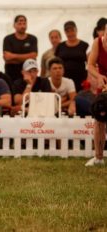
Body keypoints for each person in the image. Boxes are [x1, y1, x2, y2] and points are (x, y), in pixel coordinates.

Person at [85, 23, 107, 166]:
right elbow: (90, 65)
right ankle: (98, 157)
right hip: (103, 85)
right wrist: (98, 76)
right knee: (99, 120)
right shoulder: (97, 42)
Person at [55, 21, 89, 92]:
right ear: (65, 33)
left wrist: (88, 79)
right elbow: (56, 62)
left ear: (76, 30)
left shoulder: (84, 45)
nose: (70, 34)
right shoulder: (60, 46)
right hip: (64, 80)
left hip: (81, 79)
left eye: (72, 30)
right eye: (67, 31)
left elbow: (89, 64)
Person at [3, 15, 38, 82]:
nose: (22, 26)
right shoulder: (8, 39)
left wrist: (13, 57)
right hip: (11, 74)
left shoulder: (32, 39)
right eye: (19, 24)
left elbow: (33, 56)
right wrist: (27, 58)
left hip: (29, 73)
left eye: (24, 23)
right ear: (14, 25)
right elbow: (7, 58)